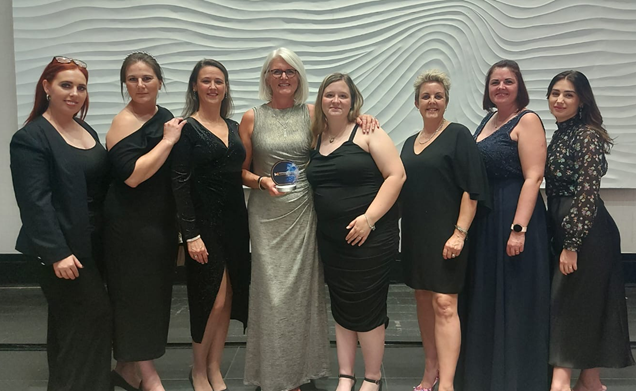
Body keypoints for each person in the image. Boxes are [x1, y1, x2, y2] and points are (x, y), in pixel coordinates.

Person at [238, 48, 377, 391]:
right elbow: (238, 170)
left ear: (299, 77)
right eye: (276, 71)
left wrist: (364, 117)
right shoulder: (251, 117)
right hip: (267, 212)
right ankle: (273, 372)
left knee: (303, 294)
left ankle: (301, 372)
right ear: (266, 77)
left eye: (290, 72)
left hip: (304, 212)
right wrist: (259, 181)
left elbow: (341, 125)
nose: (283, 77)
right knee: (271, 294)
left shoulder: (312, 113)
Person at [10, 56, 112, 390]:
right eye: (66, 85)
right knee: (90, 321)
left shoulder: (85, 129)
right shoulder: (31, 137)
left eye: (81, 87)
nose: (75, 93)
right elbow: (34, 203)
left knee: (71, 328)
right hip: (63, 253)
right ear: (46, 87)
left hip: (92, 245)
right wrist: (56, 253)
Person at [456, 59, 551, 391]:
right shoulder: (489, 120)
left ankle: (515, 377)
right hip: (487, 217)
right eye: (495, 82)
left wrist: (518, 228)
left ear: (519, 86)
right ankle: (485, 374)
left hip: (514, 216)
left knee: (514, 297)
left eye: (508, 82)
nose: (501, 87)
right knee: (489, 296)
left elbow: (533, 176)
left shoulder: (528, 120)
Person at [306, 73, 404, 391]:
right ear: (320, 99)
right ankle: (346, 375)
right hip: (333, 242)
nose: (336, 101)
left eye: (343, 96)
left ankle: (372, 378)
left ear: (353, 101)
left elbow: (396, 176)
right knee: (342, 304)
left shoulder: (367, 131)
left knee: (368, 306)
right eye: (329, 95)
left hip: (371, 238)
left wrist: (368, 219)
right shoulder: (314, 137)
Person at [399, 70, 489, 391]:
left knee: (445, 304)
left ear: (446, 101)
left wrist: (460, 233)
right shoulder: (410, 143)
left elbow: (472, 190)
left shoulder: (458, 135)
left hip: (447, 235)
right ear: (416, 103)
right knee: (423, 300)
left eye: (438, 96)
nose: (432, 101)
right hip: (415, 235)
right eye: (426, 96)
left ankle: (447, 383)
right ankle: (430, 370)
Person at [545, 70, 634, 391]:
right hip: (565, 224)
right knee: (586, 302)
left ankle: (561, 382)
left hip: (586, 231)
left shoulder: (586, 136)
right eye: (555, 92)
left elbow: (587, 191)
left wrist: (572, 244)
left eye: (568, 94)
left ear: (582, 100)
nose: (559, 99)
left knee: (565, 302)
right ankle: (591, 381)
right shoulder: (560, 133)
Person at [104, 52, 185, 391]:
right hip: (129, 227)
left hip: (160, 225)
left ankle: (126, 368)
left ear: (160, 82)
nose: (140, 85)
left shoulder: (165, 116)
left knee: (153, 300)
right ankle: (149, 377)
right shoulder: (122, 122)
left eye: (147, 78)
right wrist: (167, 141)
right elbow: (133, 177)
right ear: (125, 84)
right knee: (135, 299)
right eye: (132, 79)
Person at [172, 59, 250, 391]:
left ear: (226, 87)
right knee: (210, 299)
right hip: (202, 226)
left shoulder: (234, 127)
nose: (213, 87)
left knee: (229, 297)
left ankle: (215, 367)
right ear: (195, 86)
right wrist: (190, 235)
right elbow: (179, 184)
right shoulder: (185, 128)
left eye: (219, 81)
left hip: (235, 221)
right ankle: (198, 370)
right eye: (206, 81)